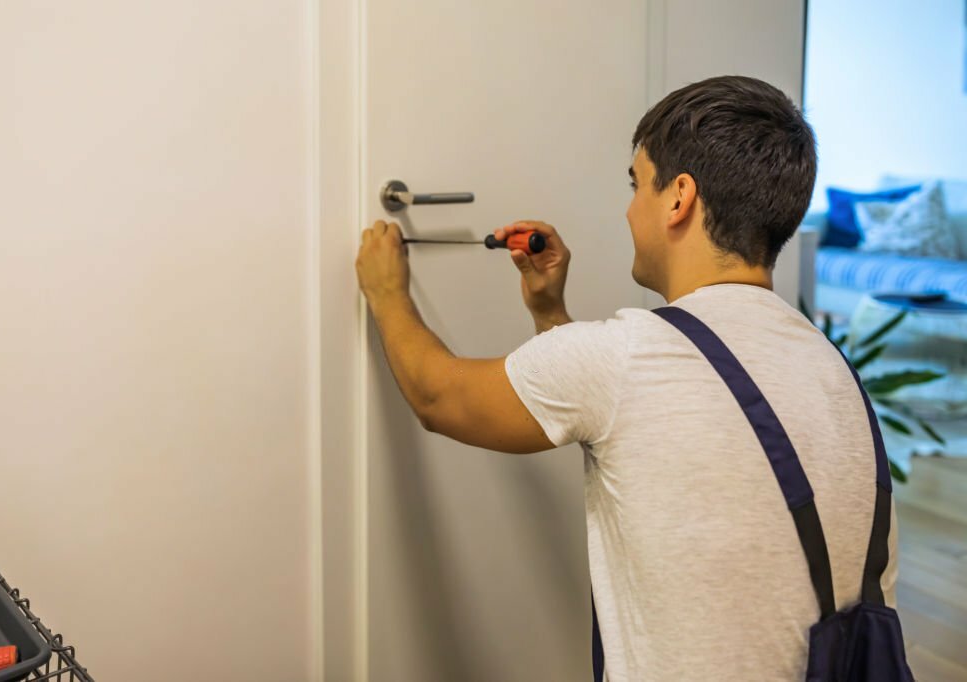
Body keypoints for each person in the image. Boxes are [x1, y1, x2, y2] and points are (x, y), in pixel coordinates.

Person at [354, 74, 898, 680]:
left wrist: (385, 292)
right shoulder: (833, 368)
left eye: (637, 183)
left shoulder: (630, 357)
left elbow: (437, 396)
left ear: (679, 198)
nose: (628, 207)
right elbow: (636, 428)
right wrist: (548, 312)